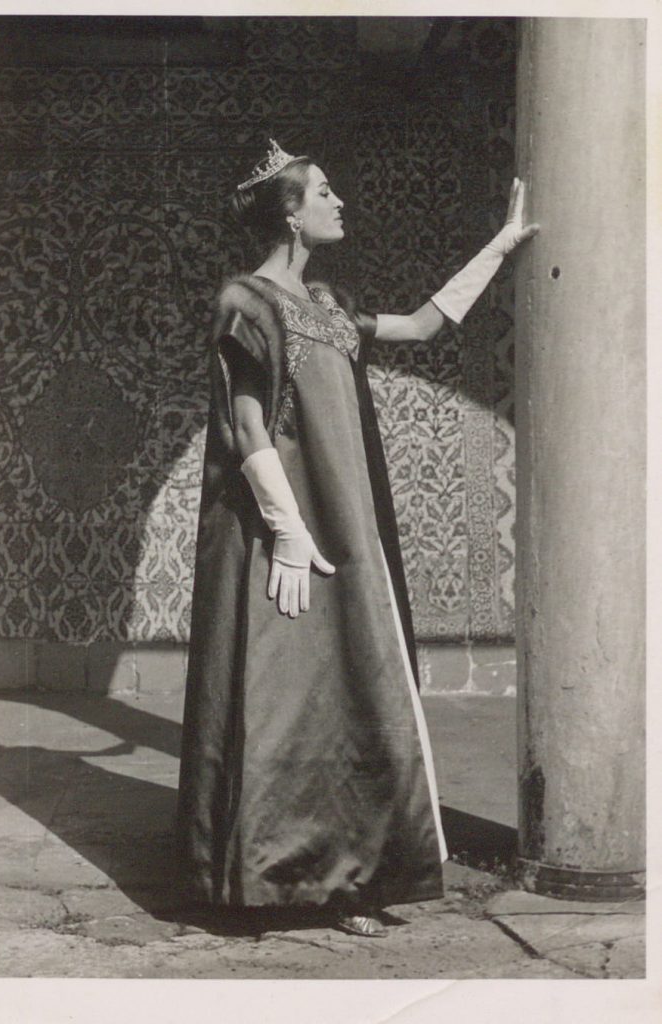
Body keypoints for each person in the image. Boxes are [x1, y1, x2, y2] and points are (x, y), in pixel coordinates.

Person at [175, 139, 538, 938]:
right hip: (280, 532)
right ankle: (265, 879)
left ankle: (348, 879)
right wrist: (287, 529)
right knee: (280, 697)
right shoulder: (245, 301)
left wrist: (500, 248)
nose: (339, 203)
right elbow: (244, 425)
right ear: (290, 213)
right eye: (324, 192)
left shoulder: (331, 306)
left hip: (345, 523)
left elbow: (422, 324)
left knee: (351, 690)